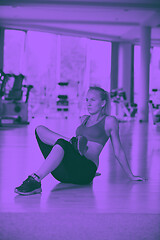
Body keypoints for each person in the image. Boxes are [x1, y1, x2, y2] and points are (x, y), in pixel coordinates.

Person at [15, 86, 147, 195]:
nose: (88, 103)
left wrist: (131, 175)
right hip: (65, 174)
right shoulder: (83, 118)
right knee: (39, 129)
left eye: (93, 100)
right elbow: (68, 153)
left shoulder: (109, 121)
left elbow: (118, 150)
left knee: (62, 143)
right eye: (87, 100)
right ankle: (72, 142)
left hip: (85, 172)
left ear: (102, 103)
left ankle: (35, 180)